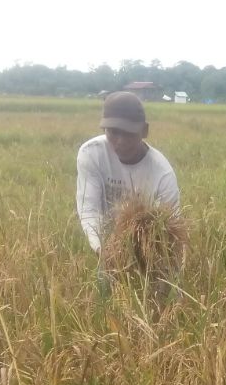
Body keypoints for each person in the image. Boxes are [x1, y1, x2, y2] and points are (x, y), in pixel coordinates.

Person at [75, 92, 182, 267]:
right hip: (104, 243)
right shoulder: (91, 154)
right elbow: (89, 210)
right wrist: (103, 251)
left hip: (148, 250)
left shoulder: (163, 174)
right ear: (104, 130)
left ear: (144, 130)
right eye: (113, 132)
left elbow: (171, 232)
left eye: (129, 133)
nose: (120, 141)